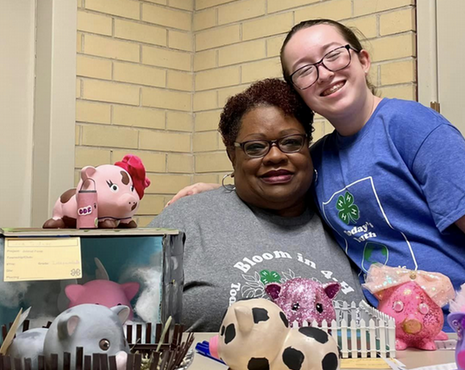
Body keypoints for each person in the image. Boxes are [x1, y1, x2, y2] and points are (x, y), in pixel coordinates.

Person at [276, 19, 465, 304]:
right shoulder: (316, 162)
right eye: (304, 70)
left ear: (363, 61)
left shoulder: (411, 124)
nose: (323, 74)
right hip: (393, 332)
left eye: (334, 55)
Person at [148, 79, 366, 332]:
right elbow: (122, 307)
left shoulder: (340, 221)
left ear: (308, 145)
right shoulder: (187, 218)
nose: (275, 156)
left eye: (291, 142)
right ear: (232, 155)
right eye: (255, 147)